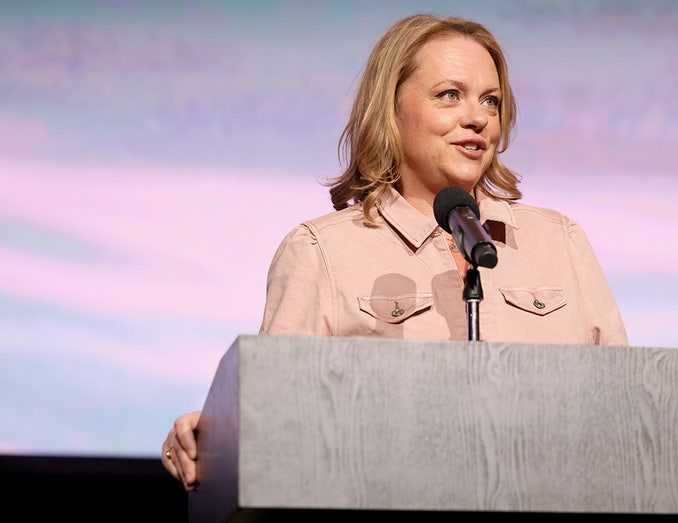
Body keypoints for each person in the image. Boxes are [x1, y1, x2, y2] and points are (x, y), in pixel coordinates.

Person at [161, 13, 629, 491]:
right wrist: (215, 436)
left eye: (492, 100)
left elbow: (629, 412)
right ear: (391, 109)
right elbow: (273, 417)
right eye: (450, 95)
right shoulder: (322, 253)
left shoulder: (560, 242)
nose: (478, 117)